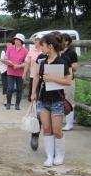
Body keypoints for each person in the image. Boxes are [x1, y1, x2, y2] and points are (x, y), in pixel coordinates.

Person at [31, 33, 72, 167]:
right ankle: (49, 156)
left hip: (57, 100)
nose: (40, 48)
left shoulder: (61, 62)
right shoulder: (43, 61)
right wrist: (33, 93)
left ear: (50, 46)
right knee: (47, 128)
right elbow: (38, 77)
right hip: (43, 99)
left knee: (57, 130)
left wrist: (52, 79)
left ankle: (59, 155)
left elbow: (68, 81)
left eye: (42, 45)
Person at [23, 36, 43, 150]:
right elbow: (34, 74)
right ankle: (35, 135)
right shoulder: (36, 54)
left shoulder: (58, 56)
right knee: (37, 111)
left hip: (53, 86)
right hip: (37, 81)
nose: (37, 42)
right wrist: (33, 92)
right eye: (36, 40)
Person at [2, 33, 28, 110]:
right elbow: (5, 57)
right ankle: (8, 103)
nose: (16, 41)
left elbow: (26, 62)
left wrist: (19, 66)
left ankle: (17, 105)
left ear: (21, 41)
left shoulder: (25, 51)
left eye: (18, 40)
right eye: (15, 39)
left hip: (20, 73)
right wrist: (7, 61)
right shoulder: (10, 48)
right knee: (10, 88)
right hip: (10, 72)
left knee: (19, 89)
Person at [61, 33, 79, 131]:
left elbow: (75, 67)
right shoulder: (58, 51)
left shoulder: (71, 53)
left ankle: (69, 123)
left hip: (69, 79)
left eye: (61, 40)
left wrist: (64, 65)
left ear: (67, 42)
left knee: (69, 101)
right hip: (59, 79)